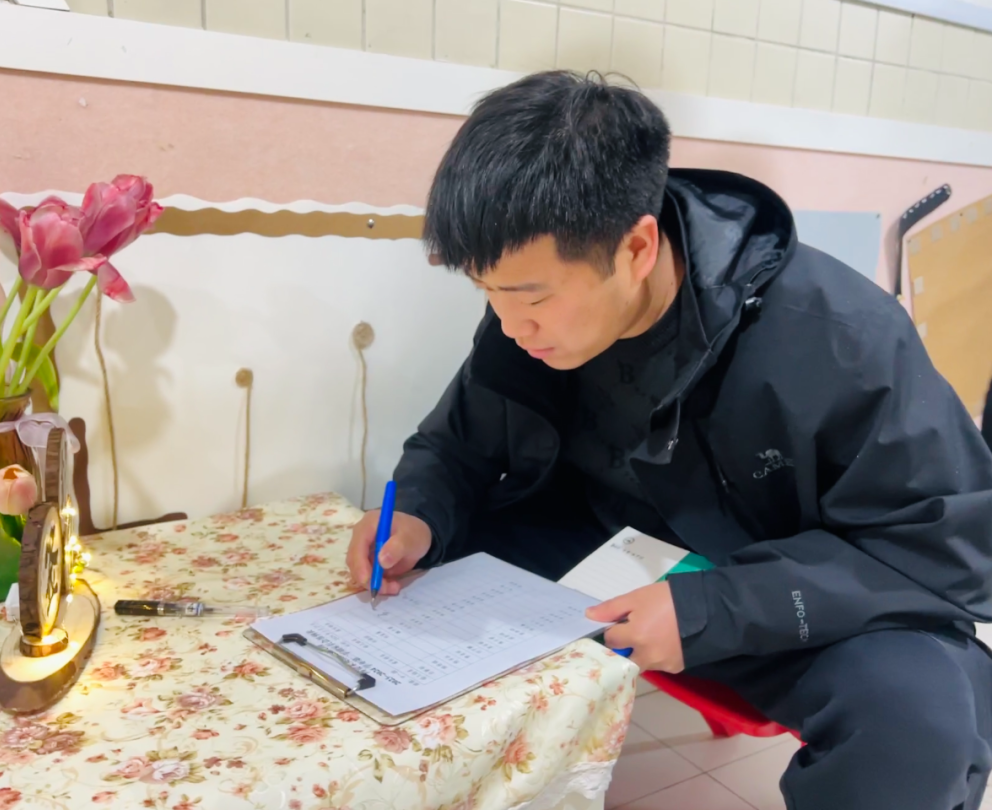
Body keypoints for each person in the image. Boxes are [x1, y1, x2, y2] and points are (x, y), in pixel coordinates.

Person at [345, 70, 992, 810]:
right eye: (488, 293)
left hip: (775, 592)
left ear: (637, 248)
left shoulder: (842, 337)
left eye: (532, 297)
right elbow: (455, 446)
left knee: (919, 722)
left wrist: (714, 605)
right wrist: (419, 513)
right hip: (603, 558)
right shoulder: (525, 325)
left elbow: (949, 551)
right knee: (410, 592)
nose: (511, 324)